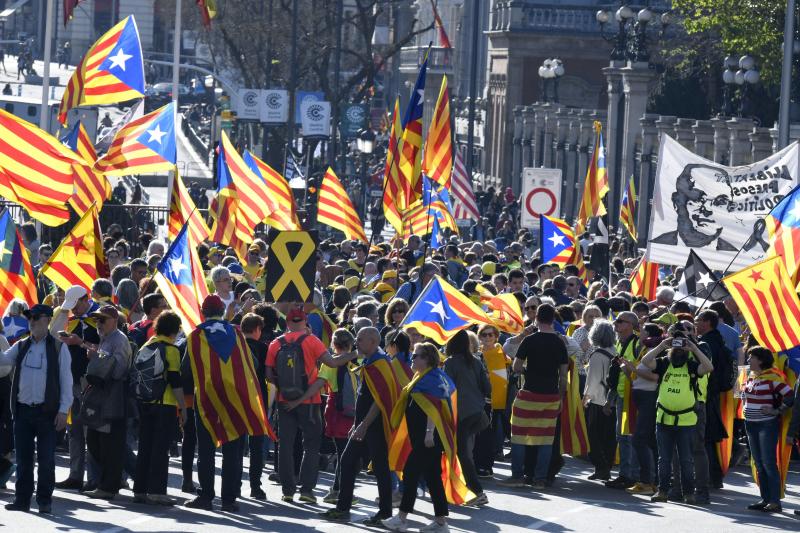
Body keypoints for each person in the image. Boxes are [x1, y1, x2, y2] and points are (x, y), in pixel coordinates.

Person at [183, 295, 267, 512]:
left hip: (207, 398)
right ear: (222, 312)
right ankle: (229, 499)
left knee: (206, 449)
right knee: (232, 450)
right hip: (235, 398)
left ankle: (206, 496)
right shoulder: (237, 333)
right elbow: (253, 363)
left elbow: (186, 370)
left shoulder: (196, 335)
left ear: (203, 312)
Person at [266, 307, 357, 502]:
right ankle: (307, 491)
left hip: (284, 402)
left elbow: (268, 374)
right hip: (310, 402)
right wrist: (354, 354)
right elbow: (332, 363)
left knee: (286, 446)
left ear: (288, 323)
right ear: (305, 322)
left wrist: (284, 389)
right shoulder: (312, 341)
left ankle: (287, 491)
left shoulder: (276, 343)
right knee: (311, 446)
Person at [320, 327, 396, 525]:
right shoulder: (370, 361)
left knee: (380, 468)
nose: (357, 343)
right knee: (347, 462)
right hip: (361, 425)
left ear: (373, 341)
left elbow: (379, 401)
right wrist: (357, 424)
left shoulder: (381, 363)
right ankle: (343, 508)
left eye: (361, 340)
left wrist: (363, 424)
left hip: (374, 426)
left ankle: (385, 513)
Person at [0, 305, 72, 514]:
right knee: (23, 459)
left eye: (36, 317)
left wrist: (63, 410)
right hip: (22, 411)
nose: (31, 321)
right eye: (30, 317)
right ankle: (22, 500)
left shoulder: (59, 348)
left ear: (47, 320)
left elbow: (66, 382)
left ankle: (44, 501)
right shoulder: (21, 346)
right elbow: (3, 361)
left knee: (46, 460)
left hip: (47, 413)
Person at [382, 343, 455, 533]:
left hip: (428, 438)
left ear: (427, 359)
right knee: (432, 477)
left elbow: (435, 408)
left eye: (417, 356)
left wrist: (429, 433)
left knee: (411, 473)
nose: (412, 359)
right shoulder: (423, 377)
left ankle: (401, 518)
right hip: (423, 437)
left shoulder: (431, 379)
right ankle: (440, 523)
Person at [641, 327, 714, 504]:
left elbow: (709, 367)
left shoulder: (691, 365)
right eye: (676, 346)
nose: (679, 349)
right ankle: (663, 491)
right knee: (664, 459)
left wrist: (694, 349)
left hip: (686, 421)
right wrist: (661, 346)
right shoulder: (665, 362)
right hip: (663, 418)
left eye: (682, 347)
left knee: (686, 460)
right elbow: (645, 361)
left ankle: (689, 493)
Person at [499, 304, 568, 489]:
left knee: (519, 436)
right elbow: (563, 375)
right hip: (551, 396)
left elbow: (516, 367)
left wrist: (529, 370)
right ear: (553, 319)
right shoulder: (560, 343)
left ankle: (517, 476)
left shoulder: (529, 341)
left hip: (528, 394)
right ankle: (540, 479)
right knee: (545, 439)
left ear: (536, 318)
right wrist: (560, 397)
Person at [132, 311, 186, 505]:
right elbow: (175, 381)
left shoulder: (148, 345)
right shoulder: (171, 349)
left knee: (145, 447)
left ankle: (139, 490)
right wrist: (183, 408)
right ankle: (157, 492)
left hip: (145, 402)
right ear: (174, 329)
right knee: (160, 449)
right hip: (165, 405)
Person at [51, 285, 101, 492]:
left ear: (85, 299)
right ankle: (75, 475)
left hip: (91, 381)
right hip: (71, 381)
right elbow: (53, 334)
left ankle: (95, 478)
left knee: (91, 431)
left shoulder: (99, 316)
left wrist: (80, 343)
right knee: (74, 430)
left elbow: (103, 350)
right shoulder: (69, 318)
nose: (75, 309)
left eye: (76, 304)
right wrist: (64, 310)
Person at [82, 305, 133, 501]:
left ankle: (109, 486)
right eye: (97, 320)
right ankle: (111, 481)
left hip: (114, 397)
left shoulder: (119, 339)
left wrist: (98, 357)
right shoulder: (107, 339)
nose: (99, 323)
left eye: (102, 320)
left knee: (109, 443)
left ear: (114, 321)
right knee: (96, 441)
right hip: (103, 396)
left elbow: (119, 370)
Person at [741, 346, 794, 513]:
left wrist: (777, 411)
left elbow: (790, 396)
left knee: (768, 463)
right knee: (759, 463)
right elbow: (742, 395)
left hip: (766, 424)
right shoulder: (751, 376)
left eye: (752, 358)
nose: (749, 360)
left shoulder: (773, 378)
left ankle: (774, 501)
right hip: (750, 423)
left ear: (761, 360)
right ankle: (765, 499)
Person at [443, 330, 491, 506]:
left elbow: (447, 389)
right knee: (465, 453)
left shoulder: (450, 363)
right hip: (477, 413)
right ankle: (463, 488)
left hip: (461, 415)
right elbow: (487, 388)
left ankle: (477, 492)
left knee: (463, 454)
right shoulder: (476, 362)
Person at [317, 328, 360, 503]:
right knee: (346, 453)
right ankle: (339, 489)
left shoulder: (329, 362)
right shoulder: (358, 361)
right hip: (354, 410)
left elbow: (320, 383)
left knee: (342, 451)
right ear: (351, 344)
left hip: (335, 409)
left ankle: (337, 488)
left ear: (333, 344)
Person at [606, 311, 641, 489]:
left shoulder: (636, 343)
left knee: (628, 436)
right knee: (622, 435)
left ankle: (631, 475)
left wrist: (627, 368)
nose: (616, 324)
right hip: (621, 394)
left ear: (630, 325)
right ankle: (625, 474)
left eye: (620, 321)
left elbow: (638, 369)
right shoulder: (620, 342)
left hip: (632, 396)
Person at [474, 324, 511, 478]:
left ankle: (487, 465)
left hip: (497, 399)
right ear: (479, 337)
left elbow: (506, 373)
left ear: (496, 336)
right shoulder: (476, 354)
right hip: (481, 399)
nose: (488, 337)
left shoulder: (501, 353)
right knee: (481, 434)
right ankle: (481, 464)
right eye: (484, 334)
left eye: (491, 335)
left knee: (491, 433)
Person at [582, 320, 617, 481]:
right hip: (612, 400)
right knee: (609, 437)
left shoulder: (597, 355)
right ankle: (606, 467)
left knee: (593, 437)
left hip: (597, 401)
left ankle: (601, 467)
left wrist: (585, 399)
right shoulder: (615, 351)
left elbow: (593, 381)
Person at [240, 313, 269, 500]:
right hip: (257, 399)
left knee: (236, 444)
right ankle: (255, 486)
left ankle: (234, 483)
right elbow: (268, 374)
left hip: (238, 397)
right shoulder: (263, 348)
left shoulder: (236, 346)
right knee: (257, 445)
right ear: (257, 329)